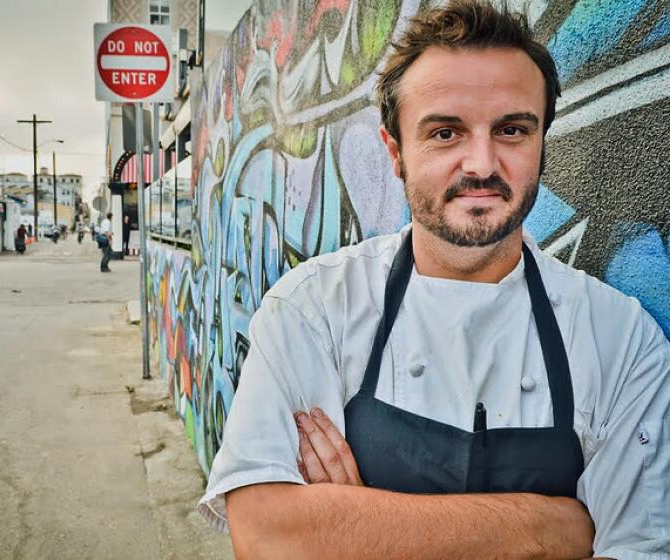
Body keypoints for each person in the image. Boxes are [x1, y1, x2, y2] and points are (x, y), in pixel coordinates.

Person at [199, 2, 670, 558]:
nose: (480, 163)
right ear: (395, 152)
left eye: (512, 130)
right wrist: (546, 528)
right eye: (445, 132)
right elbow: (265, 531)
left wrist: (356, 526)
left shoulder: (620, 338)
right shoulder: (315, 308)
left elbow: (637, 550)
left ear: (543, 143)